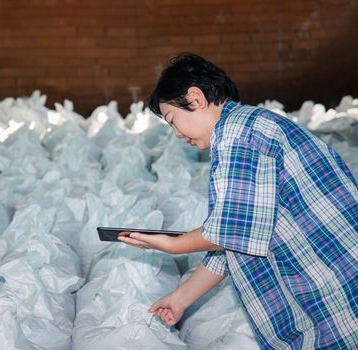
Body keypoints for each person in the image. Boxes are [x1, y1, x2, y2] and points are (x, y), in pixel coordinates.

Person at [118, 53, 358, 349]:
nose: (177, 134)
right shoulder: (245, 127)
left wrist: (171, 245)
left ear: (195, 98)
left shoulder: (238, 134)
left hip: (335, 286)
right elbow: (233, 242)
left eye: (173, 121)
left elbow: (233, 230)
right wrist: (181, 299)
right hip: (333, 278)